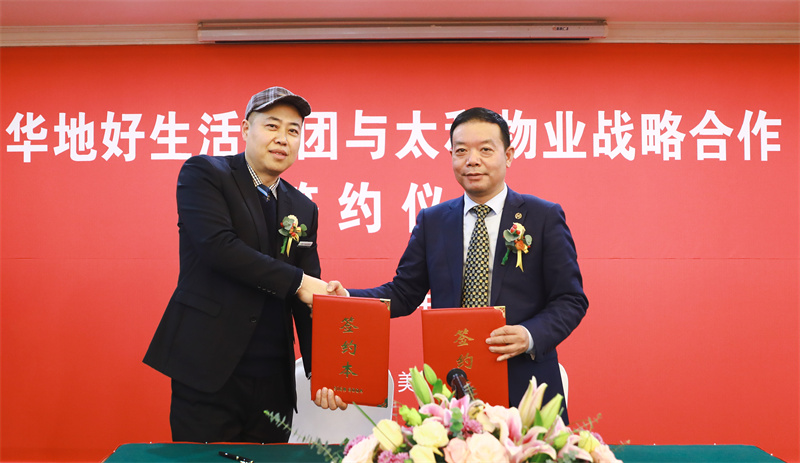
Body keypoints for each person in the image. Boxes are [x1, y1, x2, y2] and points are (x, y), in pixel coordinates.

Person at [323, 107, 588, 423]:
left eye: (485, 150)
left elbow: (570, 299)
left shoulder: (542, 216)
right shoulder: (433, 221)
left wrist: (529, 334)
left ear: (508, 155)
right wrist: (347, 299)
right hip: (454, 385)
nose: (472, 160)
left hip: (527, 386)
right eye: (461, 151)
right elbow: (404, 293)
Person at [143, 86, 339, 443]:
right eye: (272, 126)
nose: (283, 139)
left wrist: (322, 370)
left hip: (273, 380)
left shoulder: (303, 207)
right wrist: (299, 282)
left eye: (293, 131)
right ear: (246, 129)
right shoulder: (205, 174)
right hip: (207, 369)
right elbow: (220, 248)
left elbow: (307, 297)